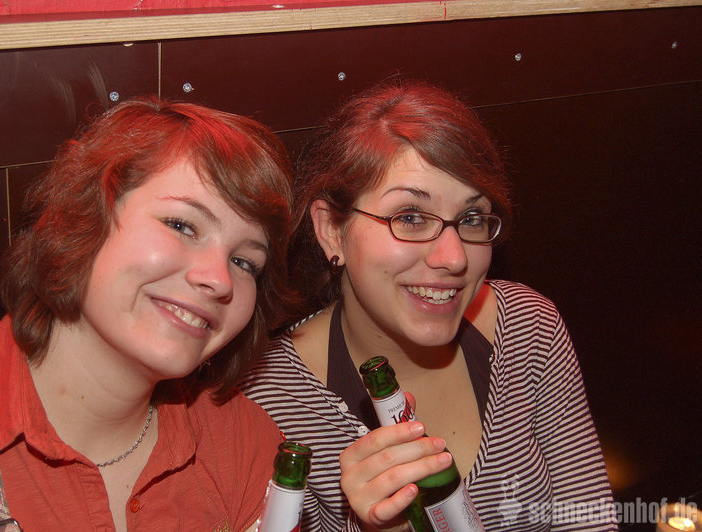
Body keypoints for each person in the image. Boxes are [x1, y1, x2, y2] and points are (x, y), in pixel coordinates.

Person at [0, 97, 295, 531]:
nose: (220, 280)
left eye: (245, 263)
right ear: (83, 218)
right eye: (182, 225)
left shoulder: (242, 441)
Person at [239, 79, 616, 531]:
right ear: (331, 230)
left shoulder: (527, 325)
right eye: (411, 217)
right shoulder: (271, 397)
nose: (454, 258)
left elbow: (589, 518)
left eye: (471, 218)